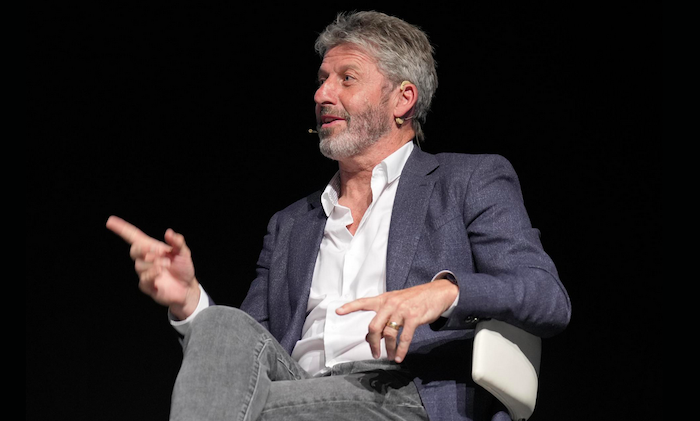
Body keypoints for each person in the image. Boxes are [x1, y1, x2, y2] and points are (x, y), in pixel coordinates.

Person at [107, 11, 571, 421]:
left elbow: (546, 296)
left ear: (403, 99)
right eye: (322, 79)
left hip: (401, 393)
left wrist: (445, 292)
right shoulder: (292, 223)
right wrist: (191, 303)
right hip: (295, 390)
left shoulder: (467, 180)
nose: (322, 93)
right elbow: (245, 350)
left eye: (347, 78)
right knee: (220, 326)